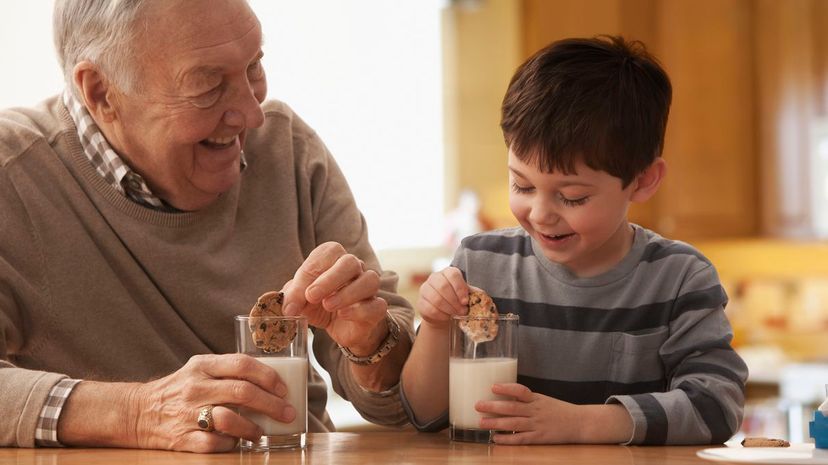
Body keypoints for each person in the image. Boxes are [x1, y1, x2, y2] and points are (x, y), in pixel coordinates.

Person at [0, 0, 413, 452]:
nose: (251, 115)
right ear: (100, 91)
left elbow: (400, 402)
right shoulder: (13, 175)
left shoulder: (288, 150)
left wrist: (372, 345)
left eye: (254, 67)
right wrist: (137, 413)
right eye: (208, 85)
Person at [401, 36, 747, 445]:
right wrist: (439, 326)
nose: (541, 213)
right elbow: (424, 415)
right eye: (522, 185)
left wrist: (582, 423)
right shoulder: (481, 261)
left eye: (572, 197)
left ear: (643, 180)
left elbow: (716, 406)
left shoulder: (679, 278)